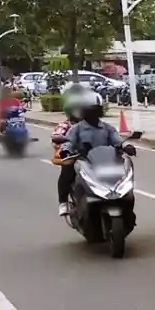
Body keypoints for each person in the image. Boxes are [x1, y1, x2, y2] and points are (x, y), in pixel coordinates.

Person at [53, 89, 89, 217]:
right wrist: (61, 138)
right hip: (74, 157)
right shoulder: (65, 125)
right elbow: (57, 135)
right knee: (67, 172)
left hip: (94, 157)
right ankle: (63, 202)